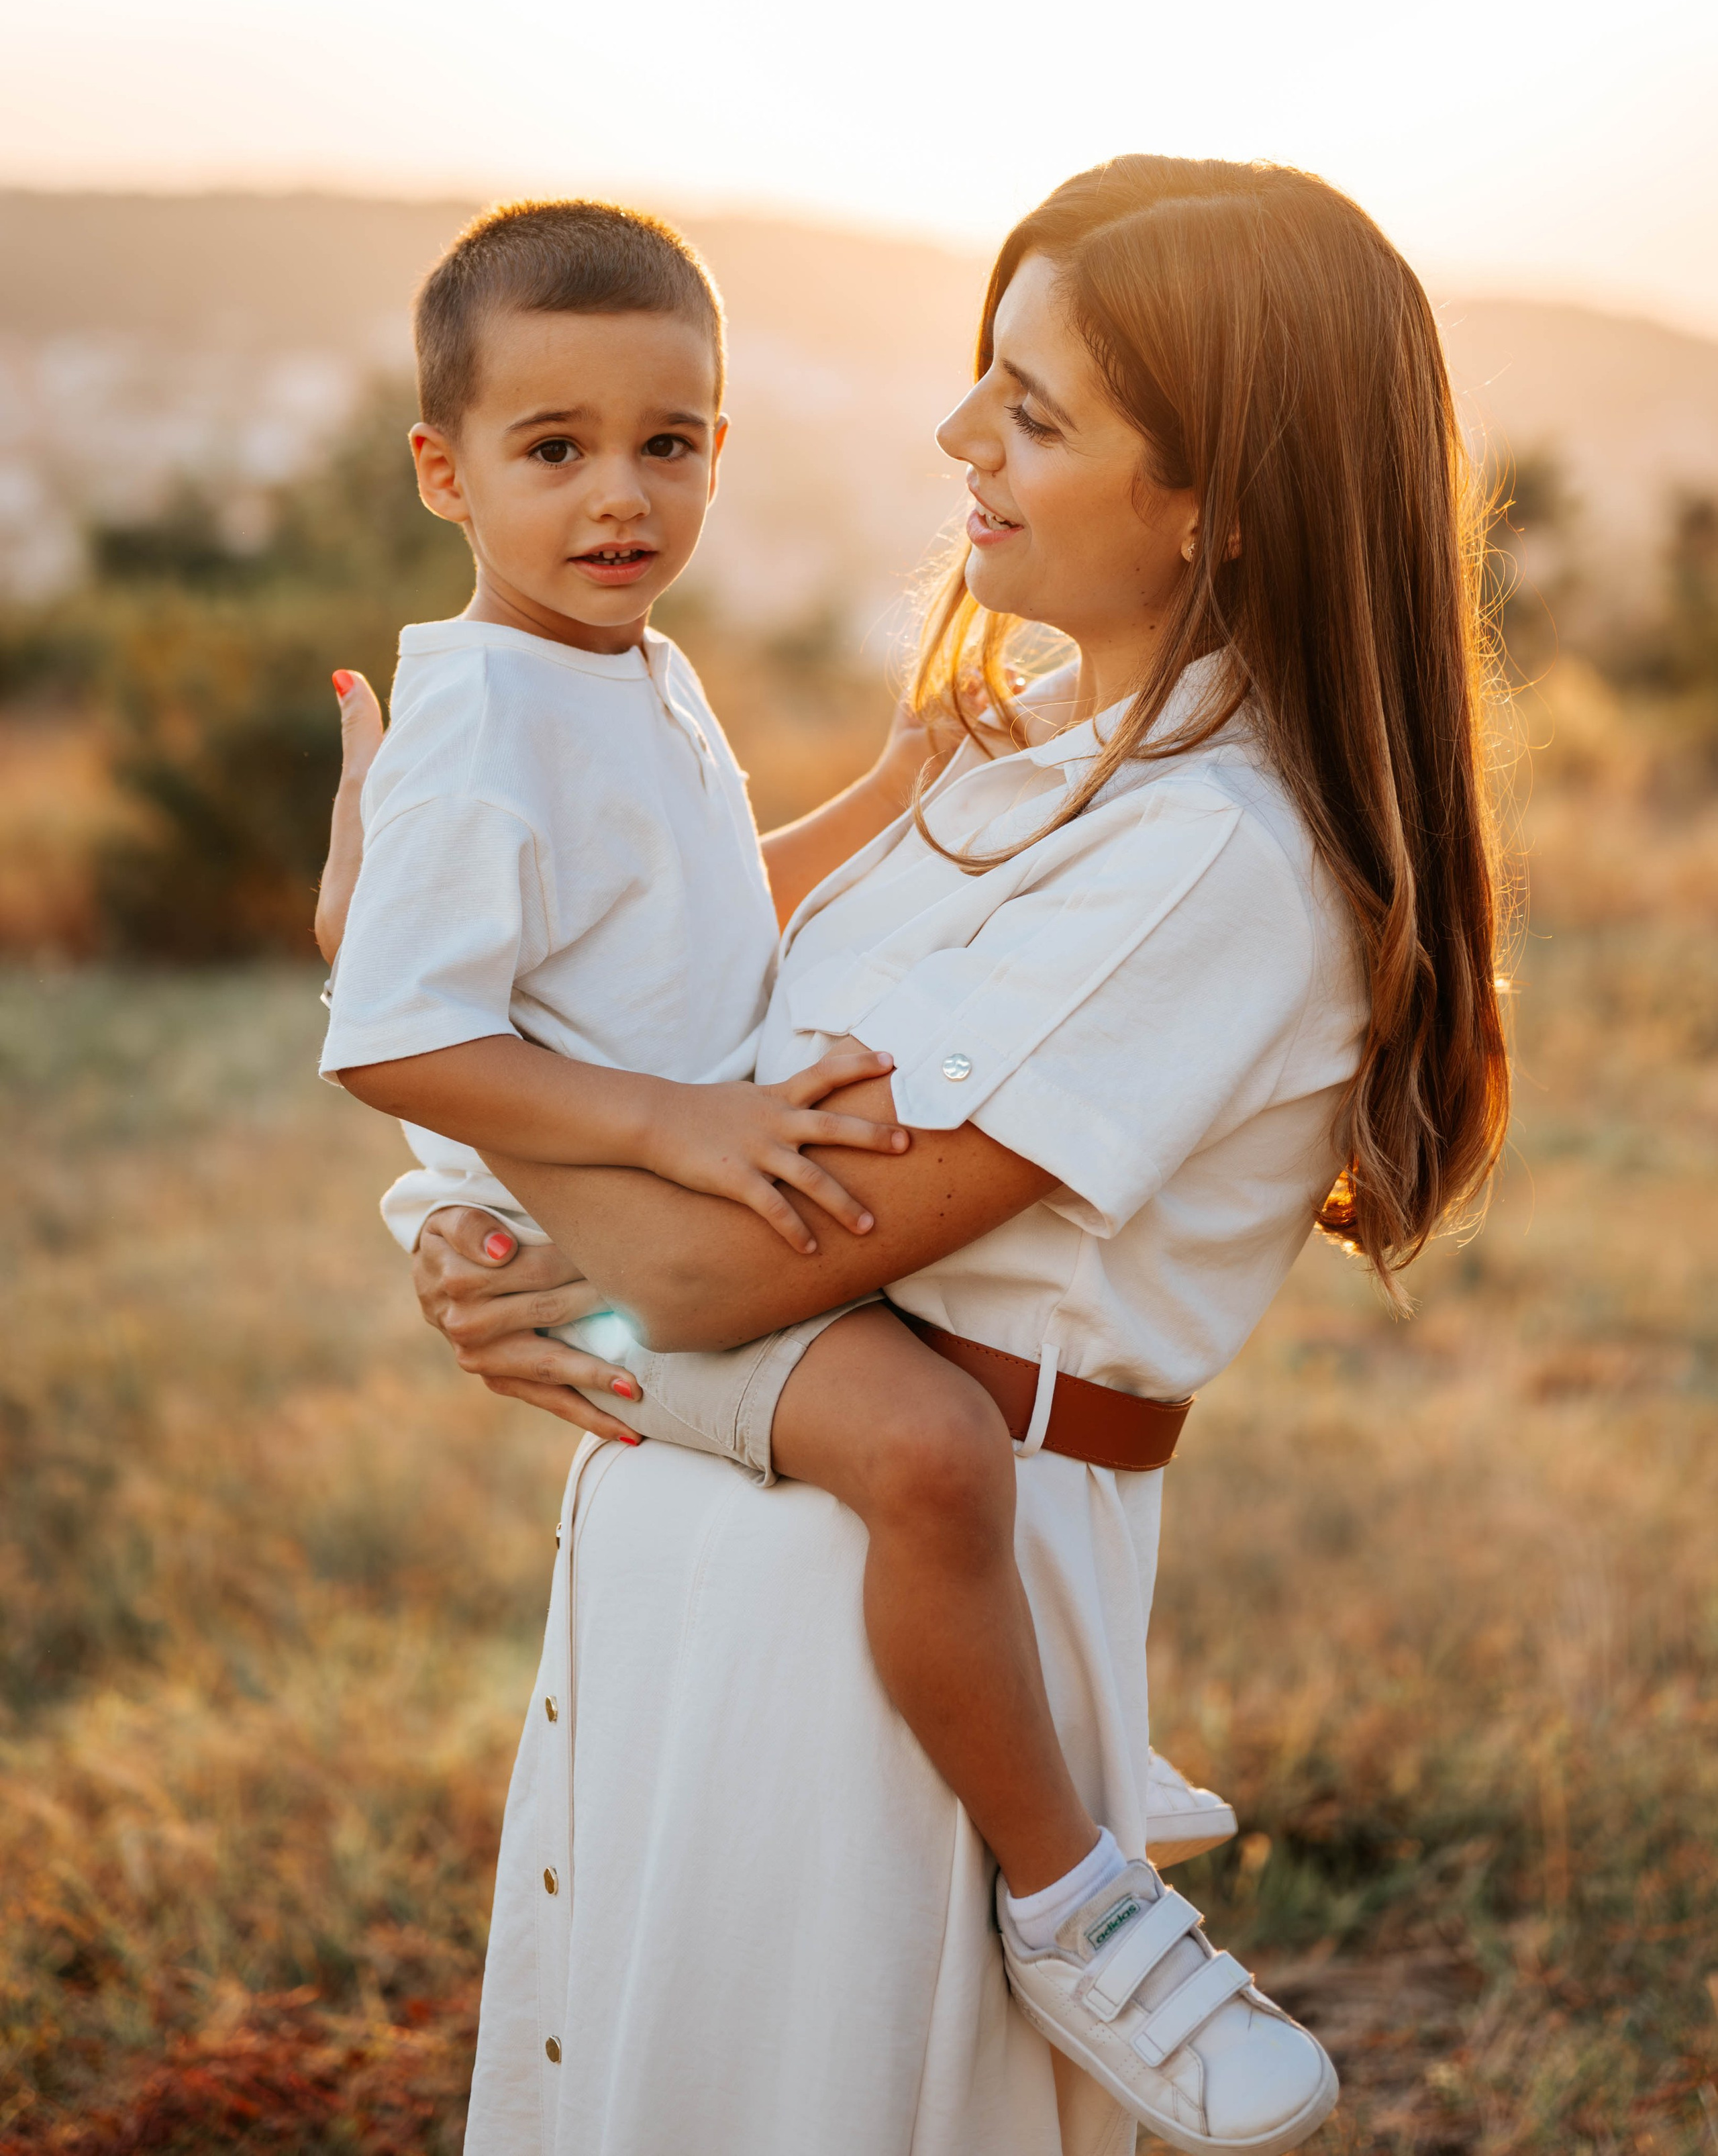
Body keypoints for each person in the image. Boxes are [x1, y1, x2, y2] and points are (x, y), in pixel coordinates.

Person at [344, 155, 1509, 2155]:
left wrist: (445, 1071)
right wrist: (507, 1254)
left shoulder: (1208, 856)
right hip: (721, 1545)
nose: (960, 435)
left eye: (1033, 411)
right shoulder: (1026, 744)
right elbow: (687, 1025)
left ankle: (1087, 1914)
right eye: (986, 374)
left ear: (1219, 498)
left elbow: (710, 1268)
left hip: (874, 1654)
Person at [317, 198, 1239, 2046]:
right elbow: (395, 1037)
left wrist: (891, 790)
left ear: (721, 449)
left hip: (667, 1191)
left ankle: (1058, 1739)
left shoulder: (624, 670)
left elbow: (704, 910)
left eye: (667, 445)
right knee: (932, 1452)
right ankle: (1072, 1888)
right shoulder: (482, 723)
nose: (621, 498)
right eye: (554, 451)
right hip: (581, 1241)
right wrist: (672, 1126)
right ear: (442, 472)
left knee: (942, 1400)